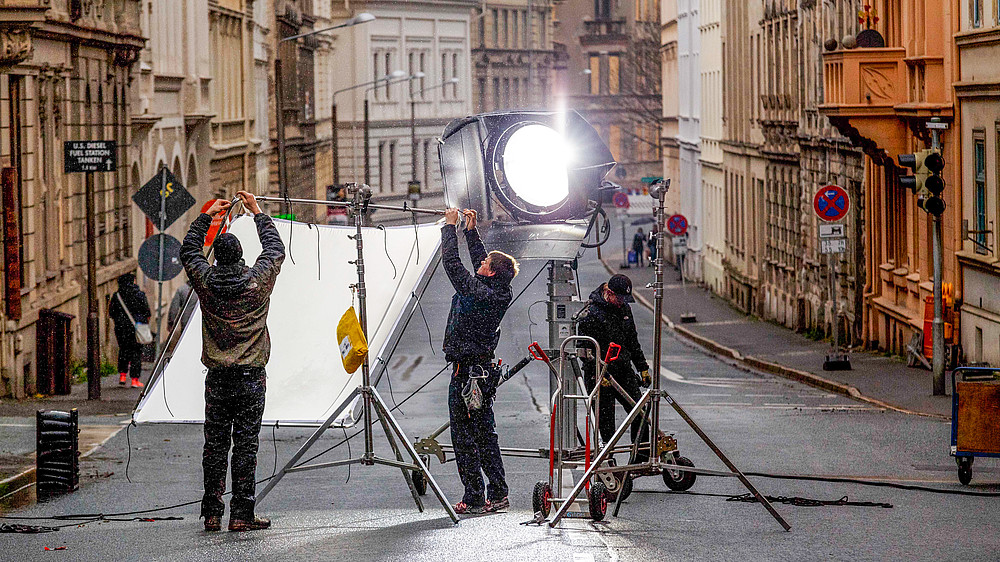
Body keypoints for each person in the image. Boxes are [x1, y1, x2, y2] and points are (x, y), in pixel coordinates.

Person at [180, 191, 285, 532]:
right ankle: (242, 513)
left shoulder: (206, 281)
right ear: (241, 257)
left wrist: (207, 216)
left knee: (214, 444)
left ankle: (211, 513)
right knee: (246, 444)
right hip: (251, 377)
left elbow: (188, 250)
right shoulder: (257, 282)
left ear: (217, 258)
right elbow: (274, 249)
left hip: (218, 378)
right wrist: (257, 212)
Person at [441, 207, 519, 515]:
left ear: (490, 273)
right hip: (482, 374)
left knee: (463, 437)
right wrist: (470, 231)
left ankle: (474, 497)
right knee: (486, 435)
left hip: (466, 376)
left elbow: (452, 265)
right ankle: (498, 493)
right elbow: (480, 265)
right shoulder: (498, 290)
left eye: (485, 263)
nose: (481, 264)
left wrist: (449, 229)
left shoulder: (479, 293)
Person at [576, 274, 652, 462]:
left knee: (639, 413)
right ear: (608, 293)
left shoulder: (624, 309)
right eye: (619, 298)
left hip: (623, 370)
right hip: (600, 375)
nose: (622, 303)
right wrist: (596, 371)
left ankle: (640, 458)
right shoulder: (590, 313)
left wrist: (642, 367)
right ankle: (608, 462)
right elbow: (584, 349)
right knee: (606, 424)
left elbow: (632, 341)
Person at [108, 272, 151, 388]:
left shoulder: (117, 296)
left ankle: (122, 376)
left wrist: (120, 321)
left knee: (123, 350)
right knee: (136, 352)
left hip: (121, 328)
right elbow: (147, 312)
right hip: (136, 327)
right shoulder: (139, 295)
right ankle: (134, 380)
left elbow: (111, 312)